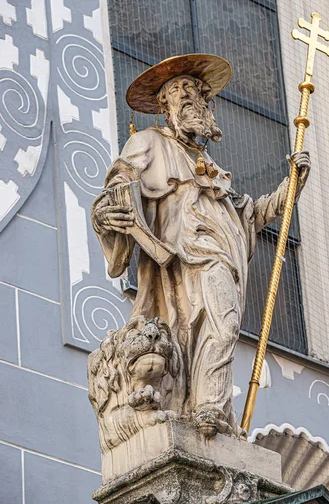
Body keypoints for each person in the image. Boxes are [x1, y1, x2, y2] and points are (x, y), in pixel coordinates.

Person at [91, 54, 310, 437]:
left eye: (196, 92)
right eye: (179, 93)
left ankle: (208, 407)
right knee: (205, 330)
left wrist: (291, 187)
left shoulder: (210, 166)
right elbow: (118, 187)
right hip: (180, 260)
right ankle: (205, 407)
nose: (190, 98)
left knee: (219, 326)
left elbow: (250, 216)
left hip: (221, 260)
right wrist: (106, 213)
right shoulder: (149, 143)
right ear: (164, 106)